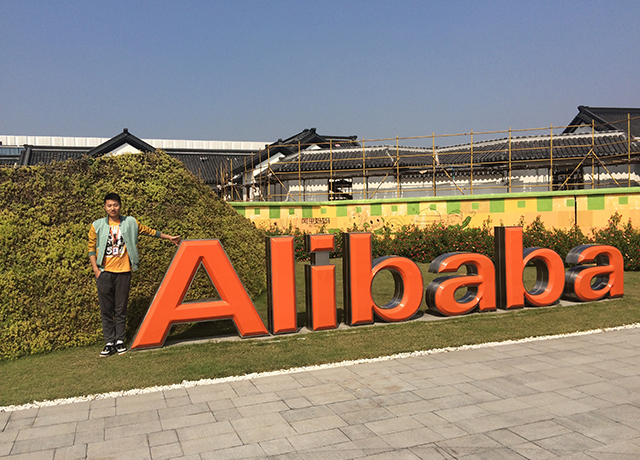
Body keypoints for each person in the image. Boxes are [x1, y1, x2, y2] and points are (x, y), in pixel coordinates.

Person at [88, 193, 181, 357]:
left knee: (121, 308)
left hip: (123, 272)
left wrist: (169, 237)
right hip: (104, 272)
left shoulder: (130, 222)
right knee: (106, 309)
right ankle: (109, 342)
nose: (112, 208)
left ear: (120, 206)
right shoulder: (97, 225)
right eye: (109, 205)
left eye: (115, 205)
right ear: (105, 207)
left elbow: (149, 231)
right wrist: (96, 269)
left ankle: (120, 341)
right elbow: (91, 249)